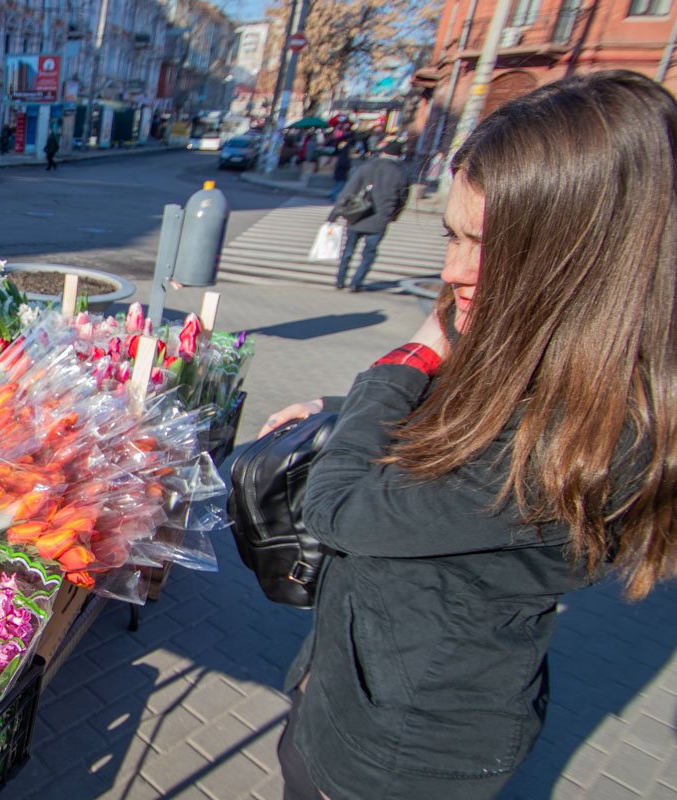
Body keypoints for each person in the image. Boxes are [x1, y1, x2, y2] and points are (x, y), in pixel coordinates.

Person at [262, 70, 677, 800]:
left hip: (397, 751)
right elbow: (453, 430)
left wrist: (410, 355)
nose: (454, 274)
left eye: (481, 244)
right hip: (364, 687)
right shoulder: (552, 368)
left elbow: (338, 511)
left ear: (585, 256)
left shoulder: (577, 436)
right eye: (451, 237)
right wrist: (339, 406)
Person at [328, 139, 409, 291]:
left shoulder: (367, 167)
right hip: (380, 219)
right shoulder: (400, 173)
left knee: (348, 250)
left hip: (357, 215)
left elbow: (348, 191)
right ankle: (356, 283)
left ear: (384, 152)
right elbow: (402, 199)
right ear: (399, 156)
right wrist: (393, 215)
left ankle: (340, 280)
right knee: (369, 253)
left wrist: (336, 212)